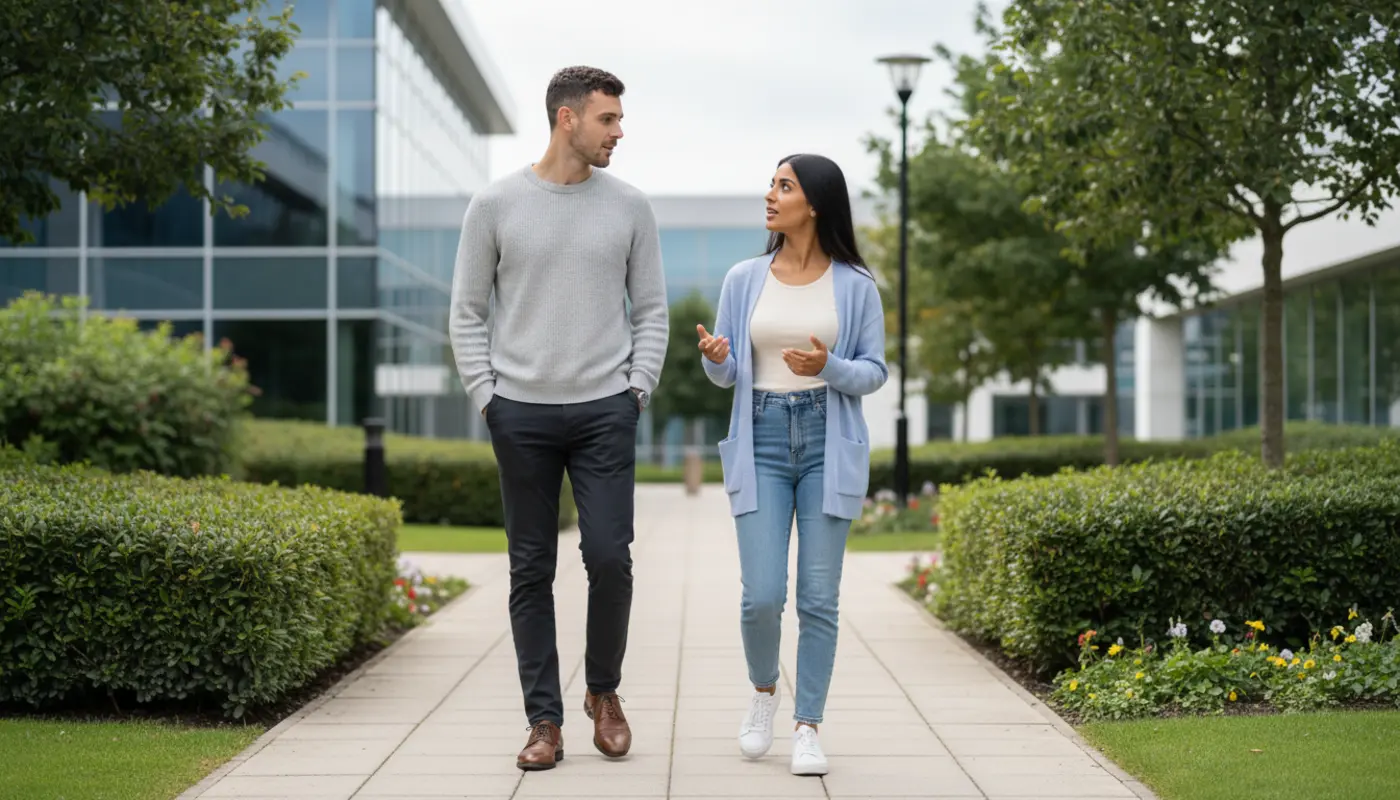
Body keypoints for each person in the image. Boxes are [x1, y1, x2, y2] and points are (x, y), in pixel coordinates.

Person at [448, 65, 669, 772]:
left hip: (606, 409)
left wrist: (635, 390)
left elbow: (652, 311)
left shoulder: (630, 207)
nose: (619, 131)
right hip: (520, 412)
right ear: (566, 119)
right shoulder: (495, 205)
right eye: (608, 118)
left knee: (609, 556)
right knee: (530, 568)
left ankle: (603, 692)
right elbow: (466, 313)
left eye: (619, 119)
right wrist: (488, 398)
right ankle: (543, 720)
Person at [697, 154, 888, 776]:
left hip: (829, 440)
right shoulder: (743, 279)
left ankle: (808, 725)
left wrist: (829, 367)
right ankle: (763, 694)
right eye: (772, 184)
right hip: (762, 439)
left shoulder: (856, 285)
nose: (771, 195)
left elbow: (874, 372)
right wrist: (716, 358)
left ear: (815, 204)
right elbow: (728, 371)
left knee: (818, 598)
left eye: (784, 186)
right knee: (761, 595)